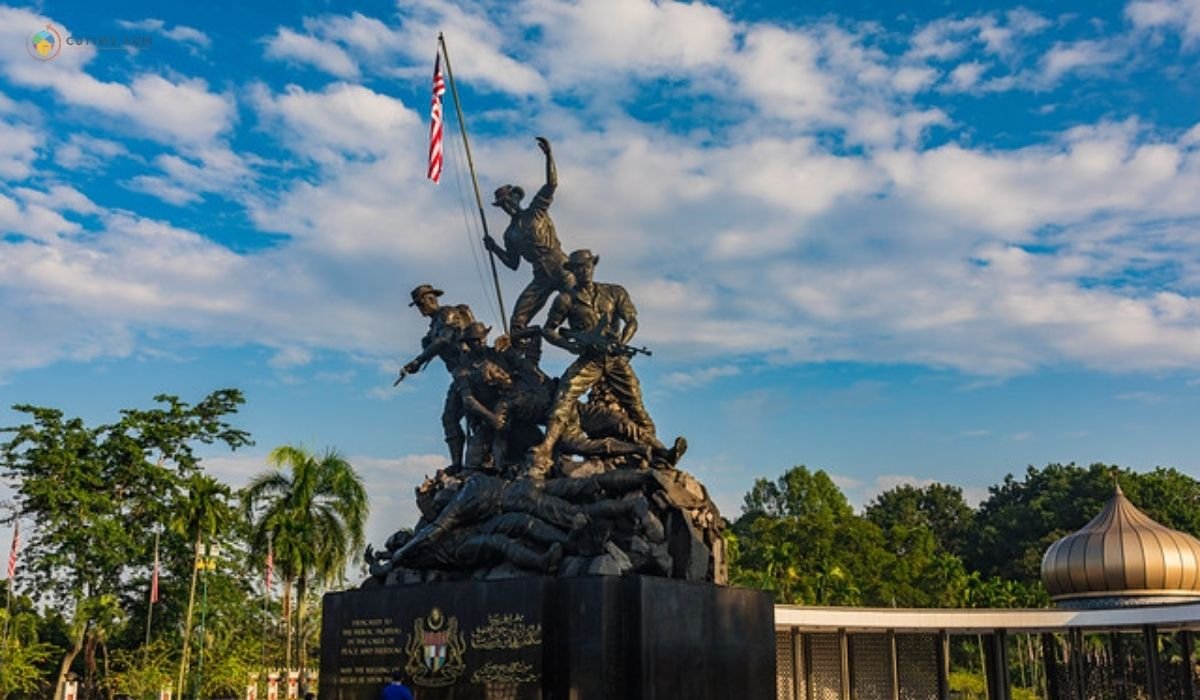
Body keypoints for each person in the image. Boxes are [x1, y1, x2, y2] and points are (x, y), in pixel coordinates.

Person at [528, 249, 657, 477]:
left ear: (593, 266)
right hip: (590, 360)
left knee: (635, 404)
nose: (584, 271)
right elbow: (548, 330)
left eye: (587, 266)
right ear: (573, 271)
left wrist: (621, 341)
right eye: (578, 268)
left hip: (614, 359)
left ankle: (656, 452)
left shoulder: (614, 292)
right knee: (564, 394)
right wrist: (569, 345)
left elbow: (632, 321)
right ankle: (546, 447)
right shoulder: (565, 299)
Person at [484, 137, 574, 332]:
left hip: (562, 268)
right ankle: (527, 347)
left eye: (508, 201)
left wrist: (549, 156)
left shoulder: (536, 210)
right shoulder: (509, 234)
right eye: (502, 205)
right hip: (540, 276)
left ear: (517, 198)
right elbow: (513, 263)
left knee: (579, 305)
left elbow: (551, 184)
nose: (506, 206)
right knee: (517, 321)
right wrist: (494, 249)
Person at [398, 284, 475, 469]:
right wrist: (421, 356)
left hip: (470, 371)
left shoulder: (447, 313)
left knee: (472, 416)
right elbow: (433, 345)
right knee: (449, 418)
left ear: (430, 299)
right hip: (457, 375)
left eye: (420, 304)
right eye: (418, 305)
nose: (420, 308)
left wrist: (418, 360)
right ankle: (457, 464)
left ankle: (476, 459)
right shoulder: (433, 327)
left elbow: (444, 339)